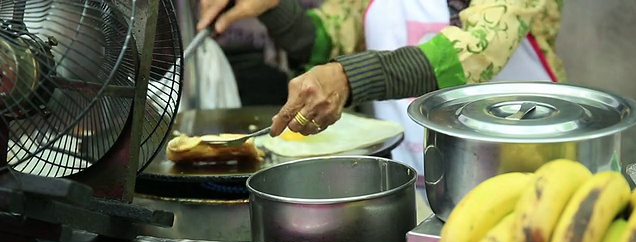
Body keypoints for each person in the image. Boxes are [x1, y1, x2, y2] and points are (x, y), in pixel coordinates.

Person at [198, 0, 566, 183]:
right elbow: (331, 36)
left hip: (526, 178)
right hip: (417, 184)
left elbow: (476, 49)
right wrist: (274, 8)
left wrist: (348, 78)